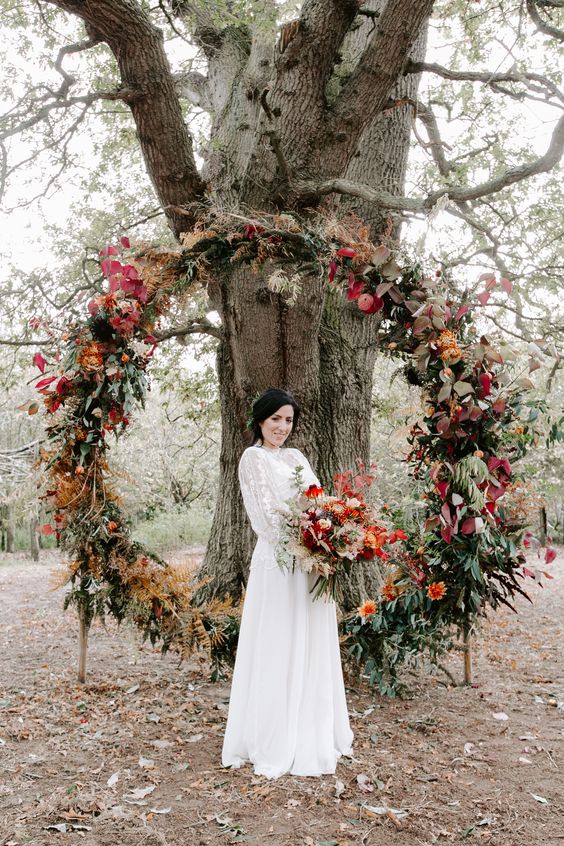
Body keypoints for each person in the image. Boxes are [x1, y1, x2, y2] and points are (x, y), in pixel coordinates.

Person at [221, 388, 353, 778]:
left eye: (288, 420)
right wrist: (305, 536)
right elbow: (264, 516)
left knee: (310, 641)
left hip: (310, 562)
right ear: (261, 420)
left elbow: (316, 501)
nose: (282, 427)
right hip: (279, 562)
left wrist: (330, 531)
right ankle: (274, 736)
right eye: (275, 418)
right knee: (278, 642)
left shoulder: (296, 457)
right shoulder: (252, 458)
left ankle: (310, 730)